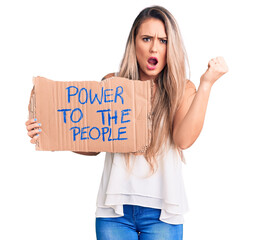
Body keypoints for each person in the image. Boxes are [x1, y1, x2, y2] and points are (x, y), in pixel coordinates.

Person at [25, 5, 228, 240]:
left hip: (163, 214)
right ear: (134, 43)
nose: (154, 47)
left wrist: (206, 84)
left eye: (163, 40)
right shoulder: (112, 83)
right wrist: (50, 131)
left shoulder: (182, 89)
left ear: (171, 47)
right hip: (115, 213)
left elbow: (183, 140)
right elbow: (93, 143)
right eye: (146, 38)